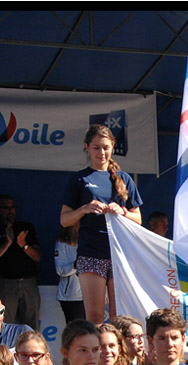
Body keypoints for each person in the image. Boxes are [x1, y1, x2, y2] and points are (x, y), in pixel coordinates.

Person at [61, 124, 144, 323]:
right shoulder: (78, 179)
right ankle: (96, 354)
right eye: (96, 147)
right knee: (95, 317)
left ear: (113, 147)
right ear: (87, 147)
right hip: (91, 253)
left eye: (106, 147)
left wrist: (122, 211)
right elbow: (65, 220)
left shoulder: (123, 178)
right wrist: (84, 209)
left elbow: (138, 219)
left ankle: (118, 355)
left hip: (120, 255)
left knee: (120, 317)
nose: (102, 152)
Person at [0, 194, 42, 330]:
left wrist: (23, 244)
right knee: (4, 326)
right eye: (6, 208)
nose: (10, 211)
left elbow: (37, 257)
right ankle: (6, 352)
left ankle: (31, 352)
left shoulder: (26, 227)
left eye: (12, 207)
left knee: (31, 327)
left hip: (27, 282)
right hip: (5, 283)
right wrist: (8, 243)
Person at [53, 224, 84, 324]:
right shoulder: (62, 243)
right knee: (76, 332)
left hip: (89, 295)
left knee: (91, 332)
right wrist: (76, 264)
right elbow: (60, 270)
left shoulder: (89, 241)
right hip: (71, 297)